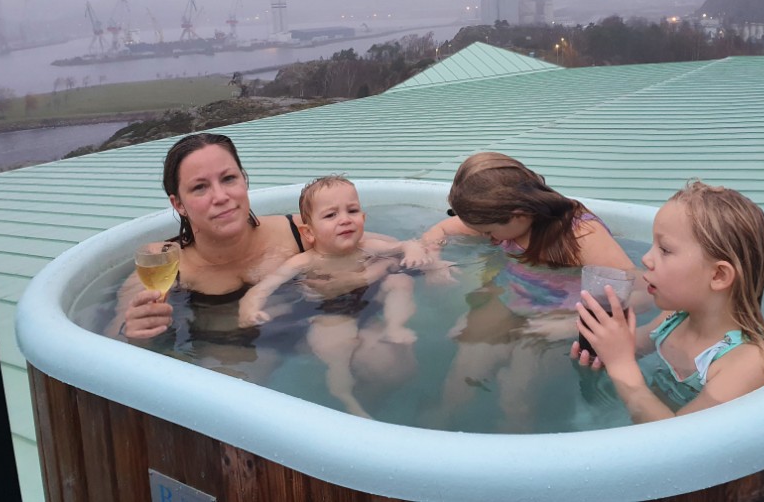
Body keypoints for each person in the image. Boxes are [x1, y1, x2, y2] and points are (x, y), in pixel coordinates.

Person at [419, 151, 639, 430]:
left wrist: (569, 323)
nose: (487, 237)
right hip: (511, 301)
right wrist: (434, 262)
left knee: (516, 392)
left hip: (563, 315)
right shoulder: (501, 217)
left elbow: (634, 291)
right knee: (464, 375)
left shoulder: (580, 235)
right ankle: (441, 424)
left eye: (489, 232)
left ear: (519, 215)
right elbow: (439, 231)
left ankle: (515, 440)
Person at [110, 133, 386, 340]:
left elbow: (395, 250)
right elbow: (111, 341)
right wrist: (132, 331)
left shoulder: (298, 230)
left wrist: (356, 279)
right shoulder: (163, 264)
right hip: (229, 345)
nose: (221, 196)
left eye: (228, 179)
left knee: (384, 359)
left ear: (244, 180)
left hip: (317, 328)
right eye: (200, 187)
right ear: (178, 204)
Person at [573, 180, 764, 423]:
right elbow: (627, 346)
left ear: (718, 275)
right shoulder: (673, 320)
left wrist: (621, 367)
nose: (646, 259)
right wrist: (601, 352)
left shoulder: (749, 362)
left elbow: (677, 439)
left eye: (665, 250)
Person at [236, 175, 424, 417]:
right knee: (337, 351)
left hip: (365, 303)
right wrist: (250, 306)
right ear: (309, 232)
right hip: (328, 313)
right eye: (330, 215)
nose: (345, 219)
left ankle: (395, 327)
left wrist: (413, 250)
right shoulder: (305, 261)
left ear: (363, 218)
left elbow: (404, 246)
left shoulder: (368, 247)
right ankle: (345, 396)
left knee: (400, 281)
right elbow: (265, 286)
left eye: (352, 211)